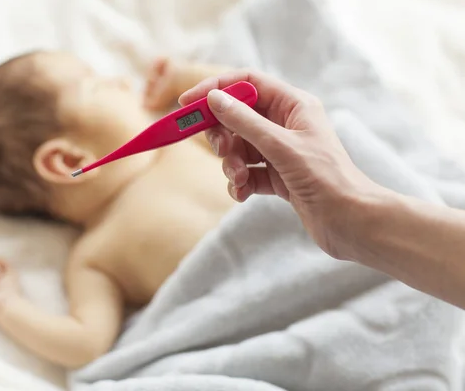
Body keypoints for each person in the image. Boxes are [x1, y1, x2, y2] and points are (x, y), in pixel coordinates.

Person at [0, 51, 239, 369]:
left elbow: (246, 101)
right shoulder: (93, 257)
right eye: (97, 85)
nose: (122, 81)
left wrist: (185, 78)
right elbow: (85, 344)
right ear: (70, 161)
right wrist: (7, 307)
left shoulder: (183, 141)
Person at [178, 69, 465, 310]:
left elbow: (230, 103)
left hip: (289, 233)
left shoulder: (179, 141)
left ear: (129, 88)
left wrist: (178, 74)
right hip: (241, 283)